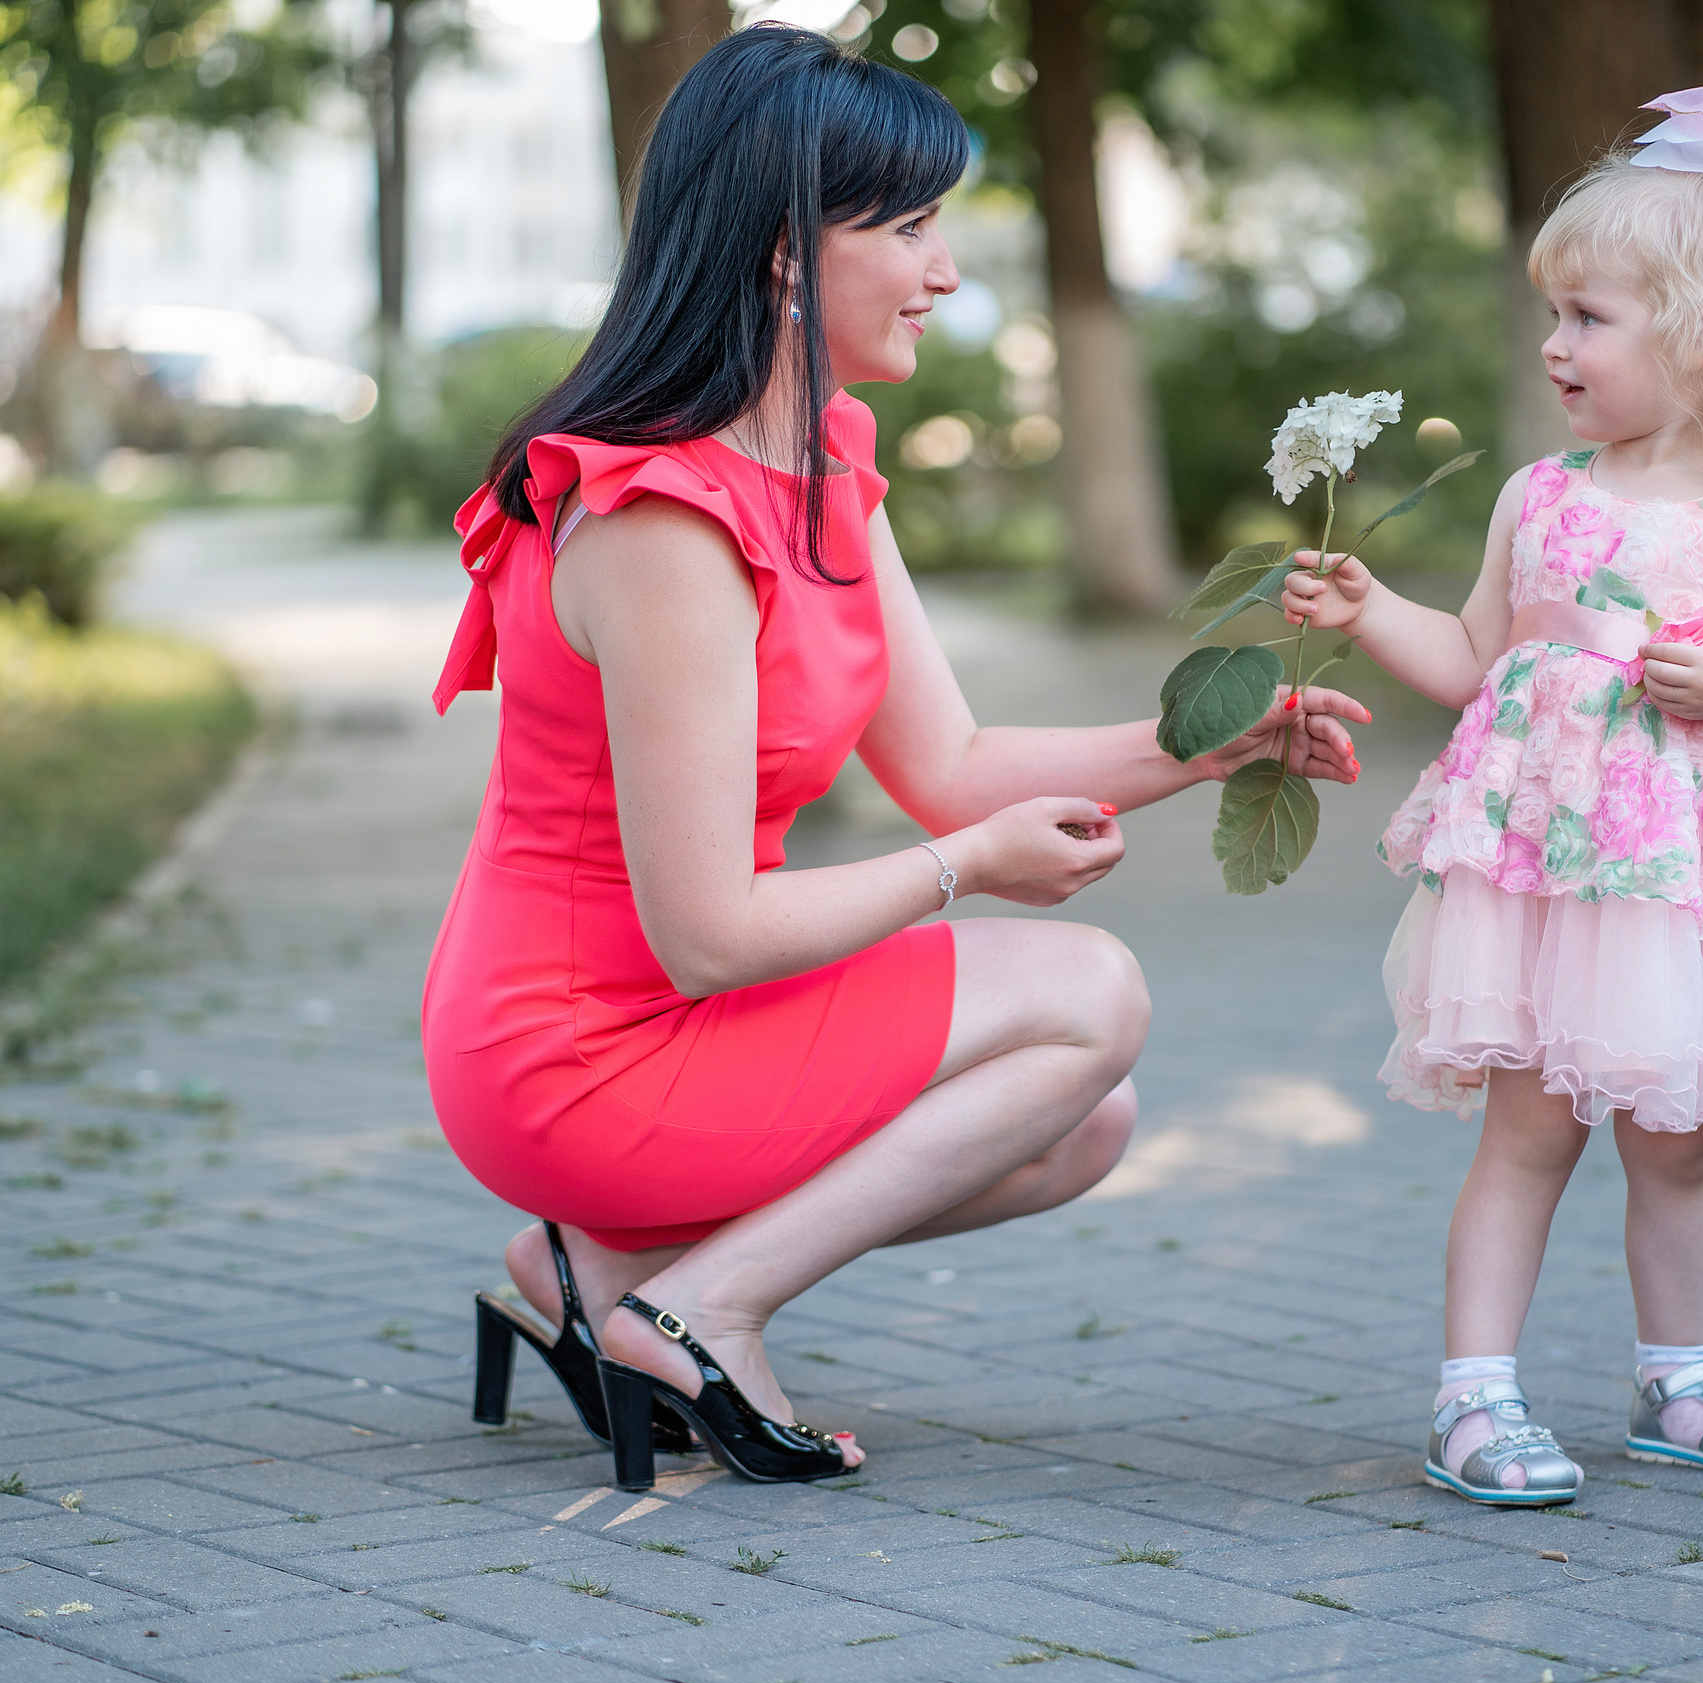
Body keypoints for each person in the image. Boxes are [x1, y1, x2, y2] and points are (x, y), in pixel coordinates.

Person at [423, 26, 1365, 1491]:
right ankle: (697, 1312)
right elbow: (713, 929)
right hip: (578, 1049)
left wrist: (1204, 745)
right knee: (1089, 993)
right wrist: (966, 871)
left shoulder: (819, 461)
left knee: (1074, 1122)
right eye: (913, 227)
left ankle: (599, 1270)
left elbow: (955, 762)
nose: (947, 271)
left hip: (676, 1014)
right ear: (788, 252)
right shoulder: (663, 523)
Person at [1279, 88, 1703, 1505]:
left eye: (1588, 317)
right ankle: (1473, 1397)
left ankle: (1680, 1382)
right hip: (1549, 879)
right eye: (1556, 314)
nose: (1554, 344)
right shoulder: (1538, 496)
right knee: (1528, 1133)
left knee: (1678, 1147)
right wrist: (1370, 610)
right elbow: (1475, 661)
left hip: (1678, 893)